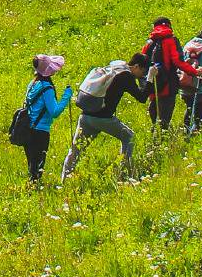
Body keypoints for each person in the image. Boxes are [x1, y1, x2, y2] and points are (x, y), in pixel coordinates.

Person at [62, 54, 152, 182]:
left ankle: (64, 181)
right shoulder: (126, 76)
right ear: (137, 66)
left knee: (76, 150)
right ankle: (124, 174)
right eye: (142, 72)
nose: (141, 75)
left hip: (86, 115)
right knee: (129, 137)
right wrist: (150, 78)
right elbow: (142, 98)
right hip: (103, 118)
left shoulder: (115, 67)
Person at [18, 56, 72, 184]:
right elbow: (55, 112)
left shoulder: (32, 84)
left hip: (28, 130)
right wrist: (66, 96)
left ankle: (32, 188)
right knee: (37, 168)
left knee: (32, 165)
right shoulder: (47, 88)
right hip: (40, 132)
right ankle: (34, 192)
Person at [142, 17, 201, 130]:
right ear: (169, 26)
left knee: (154, 118)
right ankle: (162, 140)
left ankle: (154, 138)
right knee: (164, 120)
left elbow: (142, 63)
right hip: (168, 85)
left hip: (151, 86)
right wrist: (194, 72)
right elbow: (178, 61)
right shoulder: (171, 40)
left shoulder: (149, 43)